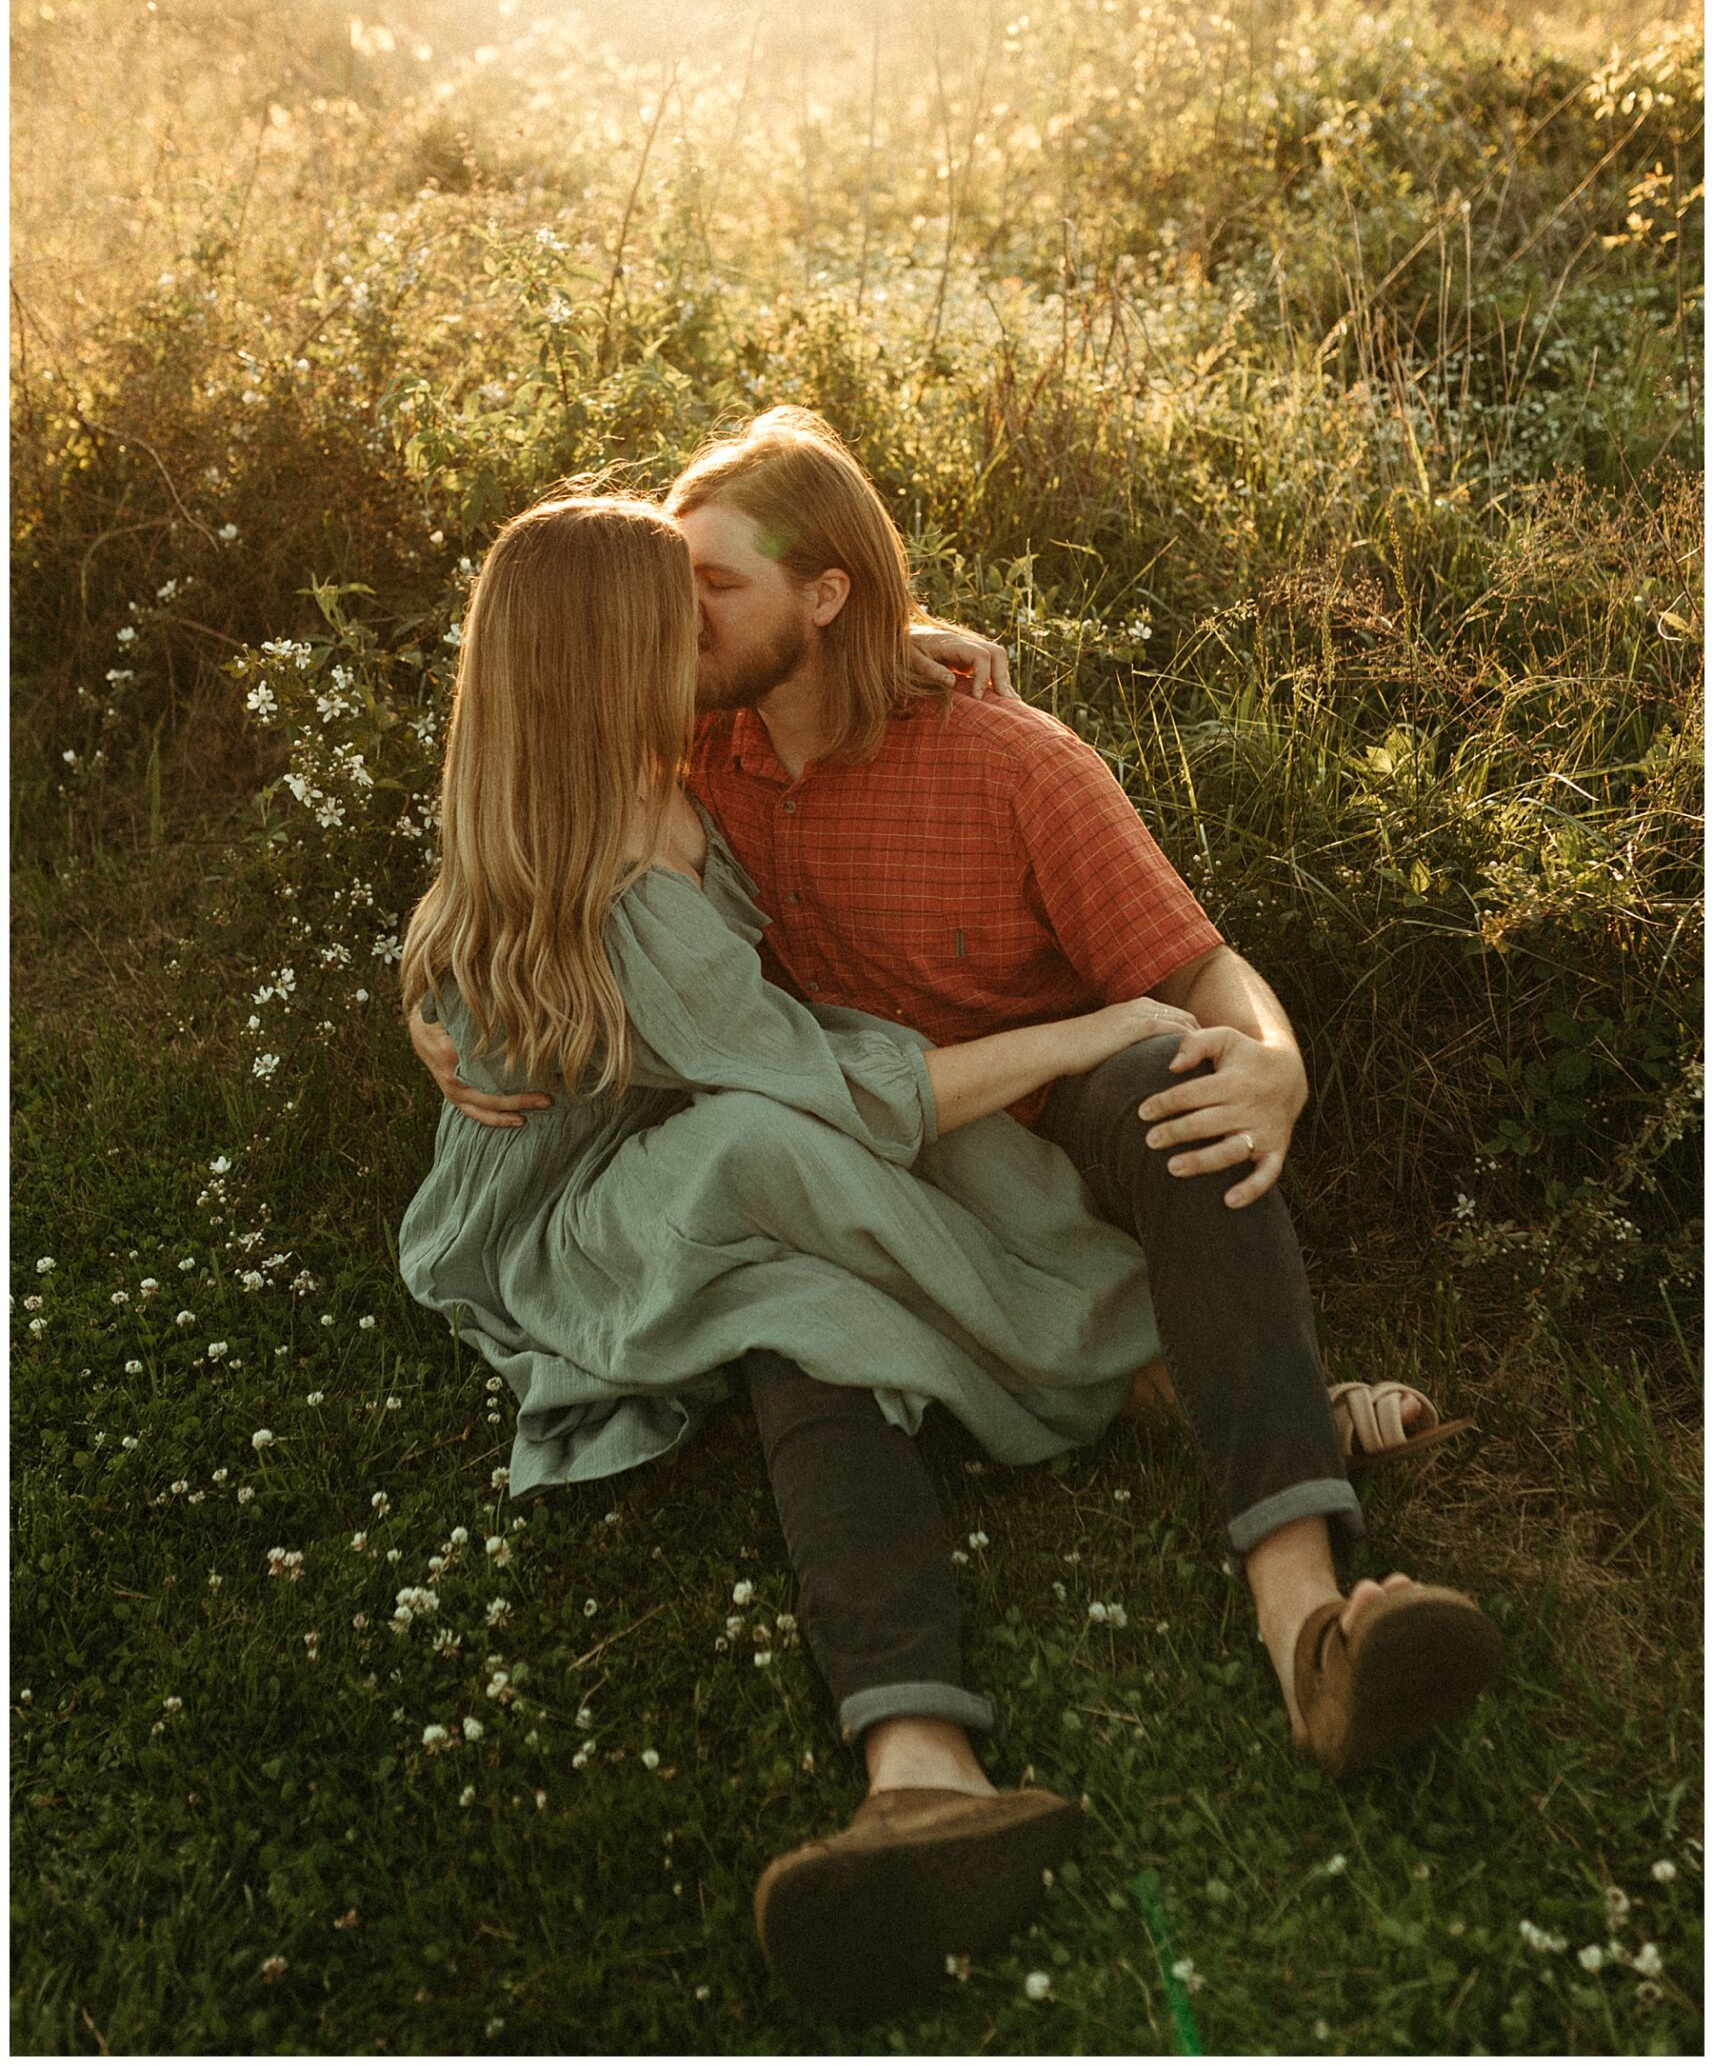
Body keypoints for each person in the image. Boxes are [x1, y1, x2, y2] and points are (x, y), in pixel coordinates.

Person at [406, 418, 1501, 2019]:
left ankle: (1300, 1623)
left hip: (897, 1121)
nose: (692, 626)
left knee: (1092, 1099)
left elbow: (1185, 970)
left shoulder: (1000, 757)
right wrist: (435, 994)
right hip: (740, 1151)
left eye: (712, 590)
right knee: (774, 1228)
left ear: (826, 600)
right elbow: (551, 824)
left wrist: (1269, 1057)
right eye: (676, 600)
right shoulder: (675, 752)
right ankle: (933, 1738)